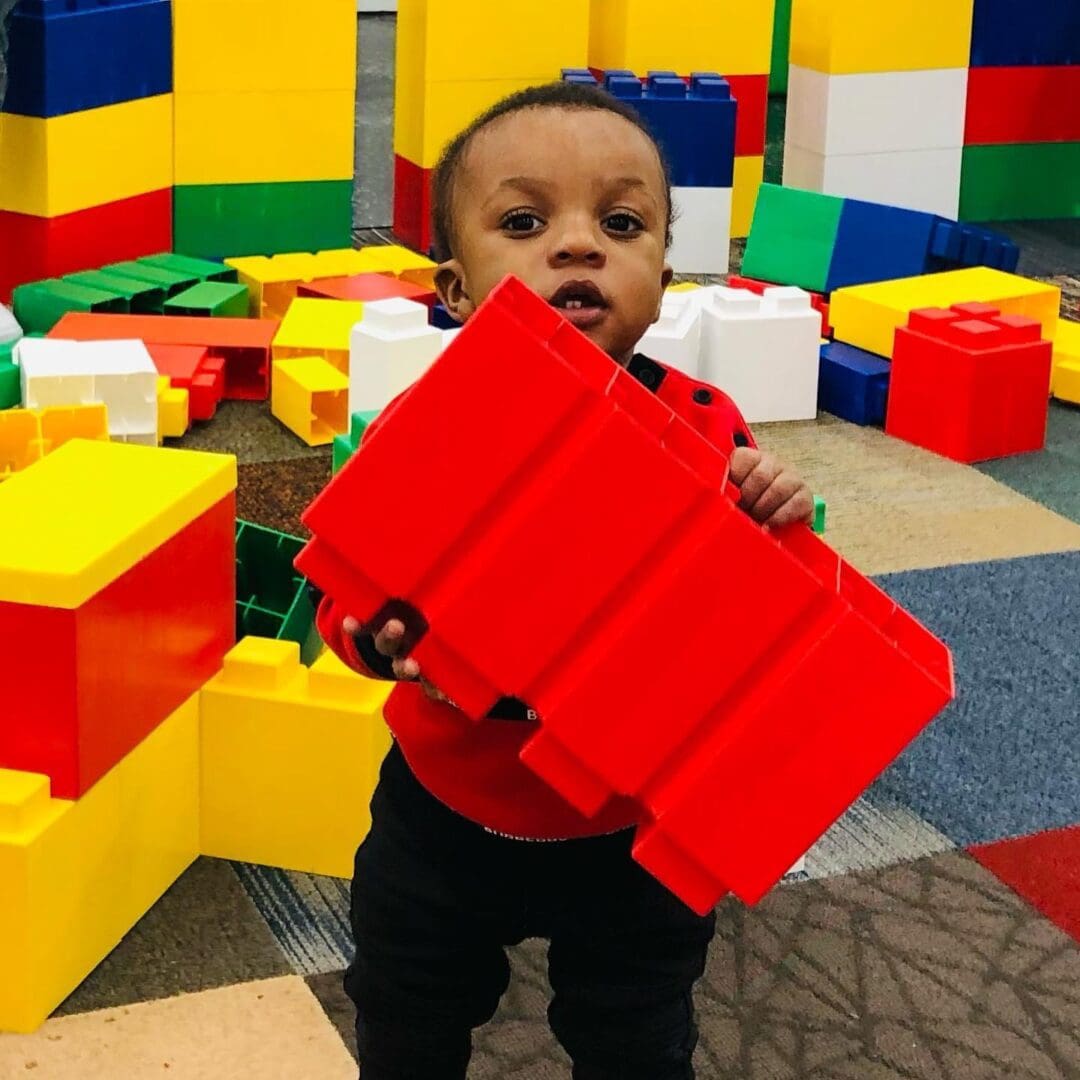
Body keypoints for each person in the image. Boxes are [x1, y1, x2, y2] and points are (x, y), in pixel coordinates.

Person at [316, 81, 815, 1080]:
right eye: (524, 220)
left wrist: (769, 513)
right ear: (454, 289)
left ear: (662, 278)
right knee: (406, 1004)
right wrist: (373, 637)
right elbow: (345, 595)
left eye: (620, 223)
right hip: (444, 809)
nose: (579, 245)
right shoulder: (428, 432)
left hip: (632, 825)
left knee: (635, 1027)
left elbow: (755, 620)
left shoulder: (708, 430)